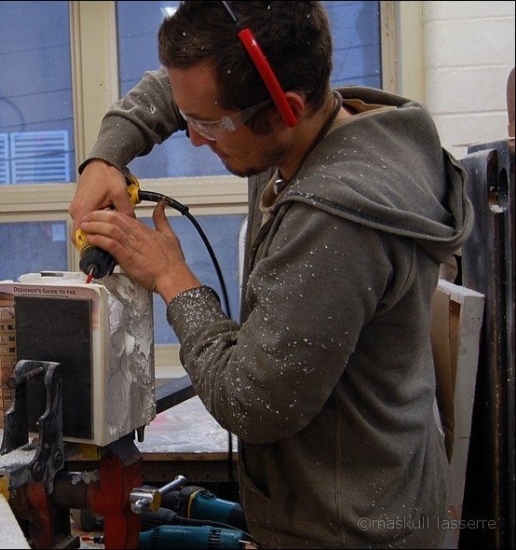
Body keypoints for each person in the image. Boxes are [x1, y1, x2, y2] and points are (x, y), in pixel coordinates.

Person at [69, 2, 473, 548]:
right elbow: (181, 90)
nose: (194, 138)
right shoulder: (313, 128)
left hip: (348, 530)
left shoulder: (336, 221)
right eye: (190, 120)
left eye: (209, 125)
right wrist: (106, 156)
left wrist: (171, 277)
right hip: (357, 488)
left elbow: (253, 402)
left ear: (287, 107)